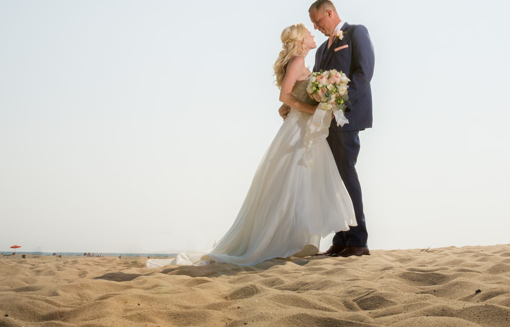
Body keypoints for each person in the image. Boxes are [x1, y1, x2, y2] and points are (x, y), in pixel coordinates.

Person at [147, 23, 355, 268]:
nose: (312, 34)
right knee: (291, 183)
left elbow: (291, 98)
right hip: (297, 131)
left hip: (302, 128)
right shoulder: (297, 61)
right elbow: (285, 96)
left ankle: (293, 239)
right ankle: (277, 240)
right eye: (308, 33)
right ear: (300, 40)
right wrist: (312, 110)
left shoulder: (302, 62)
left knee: (300, 184)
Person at [294, 0, 374, 257]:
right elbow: (315, 82)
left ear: (329, 12)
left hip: (347, 117)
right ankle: (341, 239)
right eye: (313, 24)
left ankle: (358, 240)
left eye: (318, 21)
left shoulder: (356, 33)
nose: (316, 27)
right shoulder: (320, 51)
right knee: (332, 178)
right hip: (324, 122)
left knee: (346, 173)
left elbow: (364, 72)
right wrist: (296, 105)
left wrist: (339, 103)